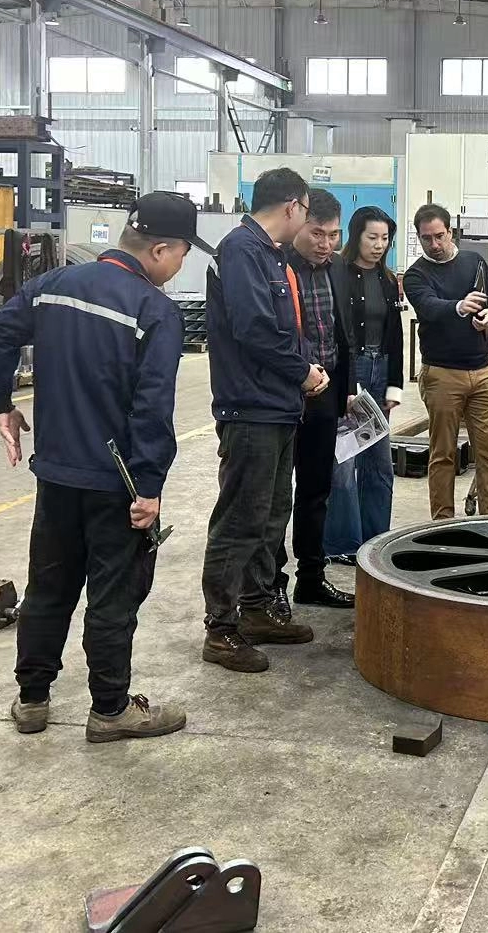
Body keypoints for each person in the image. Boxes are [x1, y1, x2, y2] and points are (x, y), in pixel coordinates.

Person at [0, 191, 199, 743]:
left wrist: (0, 402)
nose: (180, 265)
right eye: (182, 254)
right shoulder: (154, 311)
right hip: (115, 484)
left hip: (55, 474)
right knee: (112, 597)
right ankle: (110, 709)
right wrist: (149, 487)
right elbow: (152, 408)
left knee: (48, 588)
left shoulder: (52, 287)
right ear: (161, 250)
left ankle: (32, 700)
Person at [200, 168, 327, 674]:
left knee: (271, 515)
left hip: (276, 407)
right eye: (307, 213)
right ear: (294, 207)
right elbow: (254, 328)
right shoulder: (242, 250)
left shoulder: (270, 254)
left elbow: (283, 328)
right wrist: (302, 372)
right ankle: (220, 629)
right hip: (251, 408)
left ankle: (254, 610)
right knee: (240, 519)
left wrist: (306, 368)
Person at [275, 189, 356, 609]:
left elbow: (344, 332)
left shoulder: (337, 267)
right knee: (275, 499)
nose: (326, 244)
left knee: (315, 491)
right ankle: (271, 584)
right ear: (298, 226)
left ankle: (311, 578)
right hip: (284, 397)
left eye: (334, 235)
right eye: (317, 234)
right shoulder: (276, 265)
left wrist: (346, 389)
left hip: (325, 396)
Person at [403, 204, 488, 519]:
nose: (434, 244)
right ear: (418, 238)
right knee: (443, 454)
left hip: (483, 372)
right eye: (426, 238)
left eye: (439, 236)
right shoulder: (416, 275)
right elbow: (429, 306)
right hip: (442, 374)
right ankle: (442, 524)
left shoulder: (474, 262)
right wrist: (460, 307)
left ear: (450, 232)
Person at [324, 207, 404, 561]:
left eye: (385, 238)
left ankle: (375, 539)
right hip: (350, 369)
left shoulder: (388, 279)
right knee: (343, 465)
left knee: (379, 464)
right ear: (356, 236)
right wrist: (345, 383)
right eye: (372, 237)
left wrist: (394, 386)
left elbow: (396, 335)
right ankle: (342, 544)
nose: (379, 245)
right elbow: (335, 332)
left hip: (379, 368)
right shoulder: (337, 273)